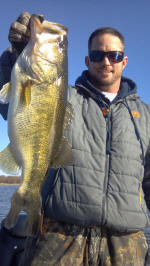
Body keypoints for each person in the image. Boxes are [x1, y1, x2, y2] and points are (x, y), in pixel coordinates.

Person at [0, 11, 150, 266]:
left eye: (113, 55)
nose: (106, 61)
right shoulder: (63, 96)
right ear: (86, 60)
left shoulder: (145, 116)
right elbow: (12, 103)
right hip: (60, 236)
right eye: (97, 55)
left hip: (126, 243)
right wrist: (16, 53)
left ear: (123, 61)